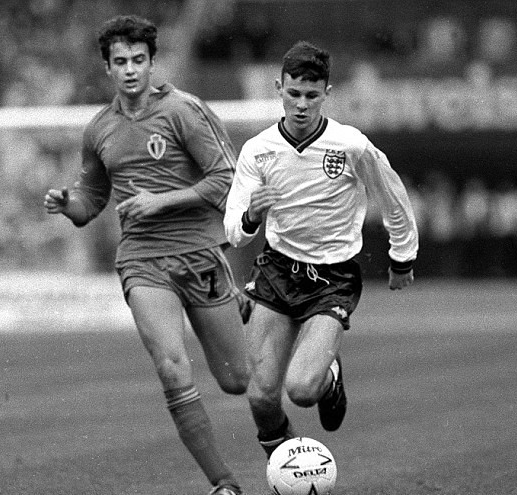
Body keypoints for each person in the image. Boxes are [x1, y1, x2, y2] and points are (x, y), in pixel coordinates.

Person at [44, 15, 250, 495]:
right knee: (171, 366)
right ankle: (223, 484)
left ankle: (250, 307)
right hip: (141, 259)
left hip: (199, 251)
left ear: (153, 62)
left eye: (139, 60)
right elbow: (92, 199)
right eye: (121, 62)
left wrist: (162, 201)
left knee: (237, 380)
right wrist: (68, 202)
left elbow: (227, 179)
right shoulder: (99, 130)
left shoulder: (184, 111)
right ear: (108, 68)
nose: (131, 69)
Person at [224, 41, 419, 458]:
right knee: (260, 397)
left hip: (332, 278)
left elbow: (392, 195)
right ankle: (290, 470)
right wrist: (251, 216)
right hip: (277, 271)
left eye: (311, 96)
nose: (301, 105)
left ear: (326, 94)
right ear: (279, 89)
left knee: (301, 390)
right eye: (294, 93)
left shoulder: (350, 145)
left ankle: (328, 377)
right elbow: (234, 231)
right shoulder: (258, 150)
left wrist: (402, 257)